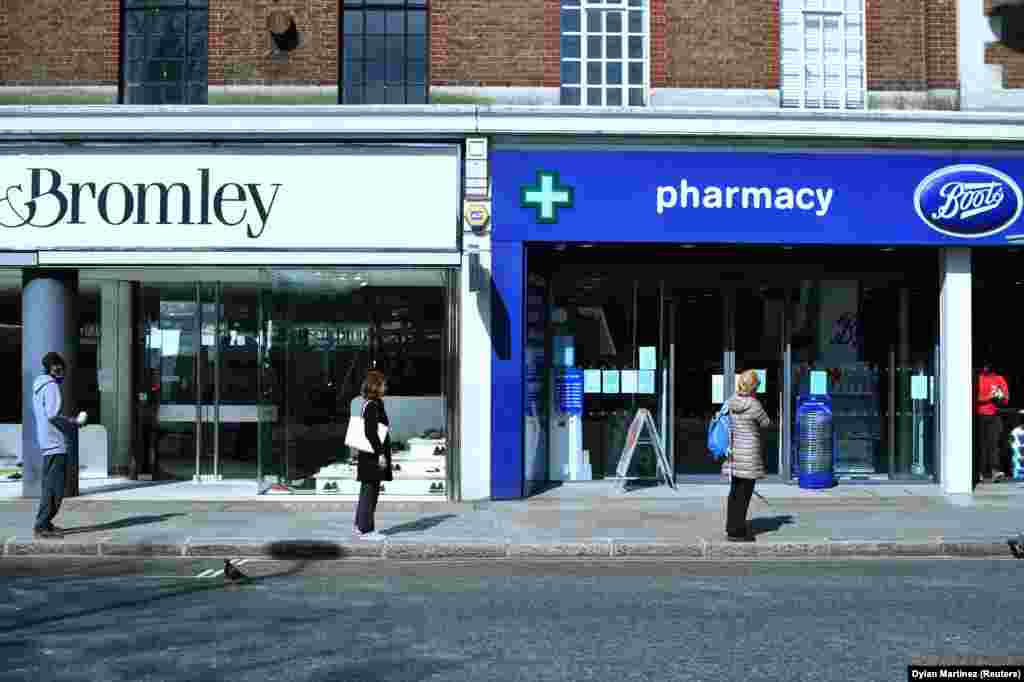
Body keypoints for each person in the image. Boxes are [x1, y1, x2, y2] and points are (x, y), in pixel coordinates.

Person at [32, 352, 87, 539]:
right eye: (61, 369)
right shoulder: (51, 386)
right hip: (55, 442)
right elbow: (53, 415)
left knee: (50, 485)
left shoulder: (39, 386)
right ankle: (42, 526)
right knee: (55, 487)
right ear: (55, 368)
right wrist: (74, 422)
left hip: (47, 441)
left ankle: (45, 523)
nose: (63, 373)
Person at [725, 369, 771, 542]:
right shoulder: (754, 405)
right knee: (744, 494)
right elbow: (766, 422)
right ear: (753, 387)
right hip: (750, 454)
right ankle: (738, 531)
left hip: (736, 452)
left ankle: (732, 526)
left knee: (735, 491)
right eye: (757, 386)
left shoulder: (732, 402)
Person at [353, 369, 392, 540]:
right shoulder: (373, 406)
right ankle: (366, 530)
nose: (385, 386)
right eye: (382, 384)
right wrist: (381, 454)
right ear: (375, 386)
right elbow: (370, 432)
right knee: (370, 491)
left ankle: (361, 525)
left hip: (368, 454)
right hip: (372, 455)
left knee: (367, 490)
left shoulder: (370, 404)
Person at [976, 361, 1009, 484]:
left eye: (988, 366)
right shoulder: (978, 379)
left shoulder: (999, 379)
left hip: (995, 415)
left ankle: (995, 471)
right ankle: (981, 472)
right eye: (984, 366)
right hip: (980, 415)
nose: (986, 368)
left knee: (994, 444)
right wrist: (988, 397)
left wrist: (1000, 398)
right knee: (981, 445)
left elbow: (1006, 398)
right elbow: (974, 397)